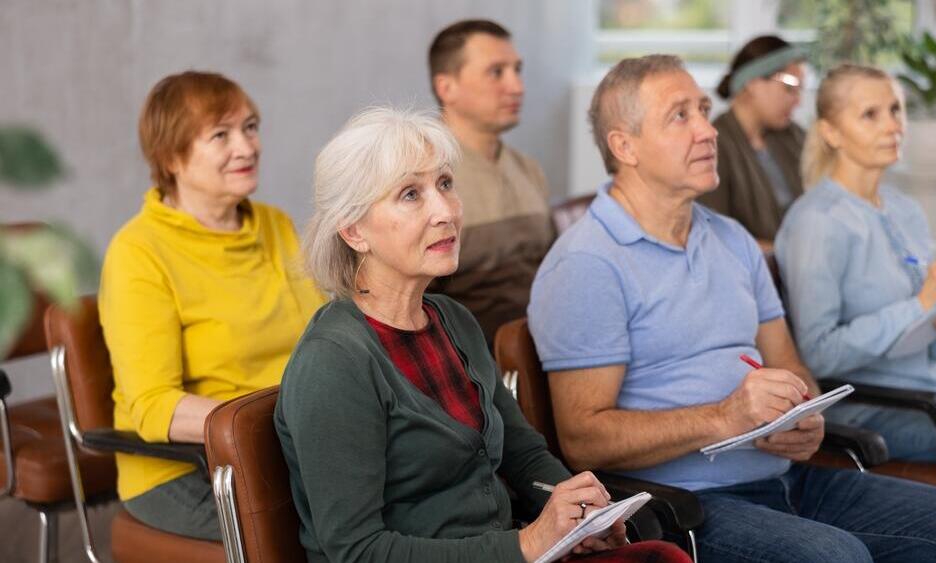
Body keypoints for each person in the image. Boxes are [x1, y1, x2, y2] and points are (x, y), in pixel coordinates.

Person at [528, 54, 936, 562]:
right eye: (680, 116)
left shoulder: (732, 240)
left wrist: (804, 417)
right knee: (835, 557)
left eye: (705, 110)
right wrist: (725, 417)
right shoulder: (585, 263)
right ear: (625, 145)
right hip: (684, 506)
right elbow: (583, 440)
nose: (708, 131)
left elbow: (793, 365)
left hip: (784, 476)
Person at [275, 107, 689, 563]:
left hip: (507, 551)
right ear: (354, 231)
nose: (445, 211)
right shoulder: (333, 362)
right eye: (411, 194)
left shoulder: (452, 319)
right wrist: (527, 543)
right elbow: (356, 551)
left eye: (446, 184)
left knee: (661, 556)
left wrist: (580, 512)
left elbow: (524, 454)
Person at [98, 71, 327, 540]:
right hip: (190, 471)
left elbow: (324, 336)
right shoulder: (138, 252)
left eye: (250, 126)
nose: (246, 146)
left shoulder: (275, 224)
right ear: (171, 157)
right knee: (341, 528)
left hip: (296, 447)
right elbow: (152, 406)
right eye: (221, 135)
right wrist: (277, 428)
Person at [774, 63, 936, 472]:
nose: (893, 125)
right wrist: (920, 304)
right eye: (870, 115)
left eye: (896, 110)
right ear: (831, 133)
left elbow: (924, 338)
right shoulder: (817, 222)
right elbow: (819, 354)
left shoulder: (903, 209)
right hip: (872, 407)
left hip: (934, 388)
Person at [426, 19, 556, 345]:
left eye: (517, 70)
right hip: (472, 365)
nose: (517, 86)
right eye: (496, 72)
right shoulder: (421, 179)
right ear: (447, 88)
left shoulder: (528, 169)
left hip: (545, 347)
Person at [699, 35, 808, 248]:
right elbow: (714, 237)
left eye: (799, 90)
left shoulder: (794, 136)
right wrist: (789, 255)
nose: (798, 100)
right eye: (789, 88)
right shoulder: (712, 148)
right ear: (752, 84)